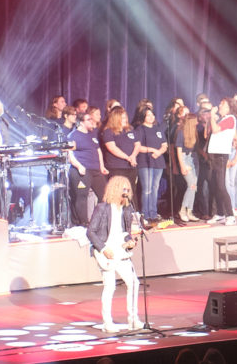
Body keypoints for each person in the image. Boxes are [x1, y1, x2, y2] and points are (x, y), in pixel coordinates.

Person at [86, 175, 141, 332]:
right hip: (106, 252)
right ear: (115, 190)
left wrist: (130, 243)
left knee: (134, 283)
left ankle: (133, 319)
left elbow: (126, 233)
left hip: (121, 251)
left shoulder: (126, 210)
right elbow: (90, 232)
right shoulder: (102, 208)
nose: (126, 192)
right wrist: (103, 249)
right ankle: (107, 323)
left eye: (128, 190)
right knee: (110, 287)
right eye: (123, 189)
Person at [67, 107, 108, 226]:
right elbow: (70, 154)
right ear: (81, 122)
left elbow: (98, 151)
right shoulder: (73, 136)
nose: (92, 121)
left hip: (96, 170)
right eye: (89, 119)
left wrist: (102, 166)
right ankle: (83, 223)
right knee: (82, 197)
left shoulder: (92, 135)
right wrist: (79, 166)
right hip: (82, 171)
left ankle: (100, 221)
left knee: (104, 195)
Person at [207, 97, 237, 225]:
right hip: (214, 154)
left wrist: (212, 115)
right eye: (220, 103)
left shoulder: (230, 118)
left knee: (221, 185)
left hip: (221, 155)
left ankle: (230, 215)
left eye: (222, 104)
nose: (219, 106)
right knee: (215, 185)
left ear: (229, 108)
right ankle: (220, 213)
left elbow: (215, 130)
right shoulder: (222, 119)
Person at [134, 106, 167, 222]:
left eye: (152, 114)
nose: (151, 117)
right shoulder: (140, 129)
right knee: (147, 189)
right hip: (145, 162)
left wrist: (159, 152)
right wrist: (152, 150)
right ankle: (145, 214)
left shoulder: (158, 129)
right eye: (148, 115)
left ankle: (154, 213)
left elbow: (164, 145)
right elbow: (138, 146)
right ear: (143, 117)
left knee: (155, 188)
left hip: (158, 161)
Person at [103, 106, 140, 206]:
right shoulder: (108, 132)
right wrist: (127, 157)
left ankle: (132, 215)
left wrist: (133, 156)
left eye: (126, 117)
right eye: (123, 118)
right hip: (117, 167)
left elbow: (137, 144)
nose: (126, 120)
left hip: (131, 167)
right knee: (118, 192)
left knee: (131, 191)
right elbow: (112, 148)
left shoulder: (130, 130)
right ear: (116, 118)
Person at [176, 109, 199, 222]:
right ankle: (182, 210)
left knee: (194, 186)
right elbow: (179, 152)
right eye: (195, 121)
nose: (197, 123)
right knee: (191, 185)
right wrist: (182, 166)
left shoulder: (193, 132)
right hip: (184, 159)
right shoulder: (181, 132)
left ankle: (190, 211)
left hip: (190, 158)